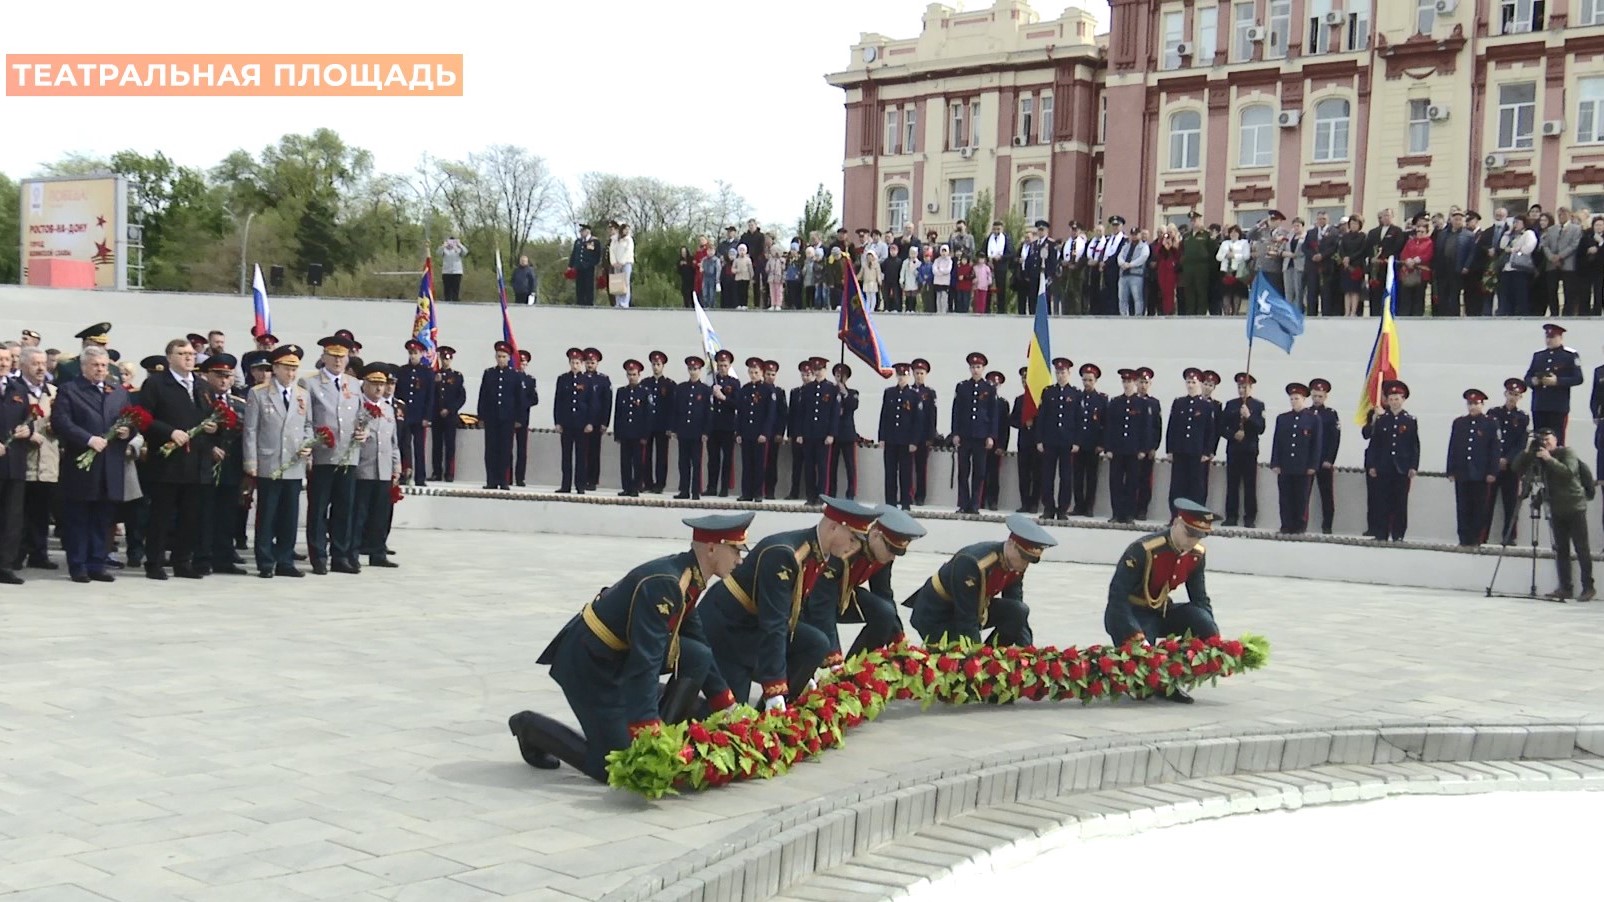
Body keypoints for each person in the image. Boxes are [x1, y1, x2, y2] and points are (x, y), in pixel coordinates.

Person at [510, 512, 752, 780]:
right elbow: (646, 659)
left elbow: (697, 641)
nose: (740, 559)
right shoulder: (666, 584)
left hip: (618, 657)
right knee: (615, 766)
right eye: (735, 550)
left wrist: (727, 704)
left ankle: (660, 721)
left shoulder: (689, 578)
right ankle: (529, 727)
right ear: (711, 548)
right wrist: (645, 726)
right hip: (590, 665)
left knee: (698, 654)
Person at [700, 497, 878, 709]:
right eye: (852, 538)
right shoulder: (785, 554)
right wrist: (775, 686)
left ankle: (776, 713)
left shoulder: (818, 554)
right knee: (728, 716)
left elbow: (795, 611)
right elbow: (773, 623)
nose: (854, 546)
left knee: (816, 643)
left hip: (752, 624)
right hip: (727, 626)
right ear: (833, 528)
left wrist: (803, 673)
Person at [1103, 498, 1221, 703]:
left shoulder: (1196, 555)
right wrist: (1135, 634)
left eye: (1199, 536)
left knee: (1202, 620)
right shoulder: (1144, 549)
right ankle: (1146, 679)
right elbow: (1117, 597)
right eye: (1189, 533)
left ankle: (1174, 675)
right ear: (1176, 523)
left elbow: (1200, 597)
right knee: (1143, 687)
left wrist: (1214, 640)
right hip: (1130, 613)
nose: (1192, 541)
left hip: (1161, 611)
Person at [904, 512, 1056, 647]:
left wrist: (1028, 651)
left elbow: (1017, 608)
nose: (1025, 564)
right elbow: (967, 619)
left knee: (1018, 611)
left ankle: (994, 656)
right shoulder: (973, 562)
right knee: (956, 664)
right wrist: (977, 661)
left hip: (973, 609)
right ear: (1011, 544)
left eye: (1029, 560)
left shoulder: (1016, 564)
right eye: (1023, 557)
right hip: (937, 614)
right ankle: (983, 661)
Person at [804, 506, 924, 668]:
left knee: (885, 613)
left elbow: (884, 594)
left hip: (842, 597)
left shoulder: (882, 555)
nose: (892, 556)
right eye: (891, 550)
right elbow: (821, 600)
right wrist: (834, 656)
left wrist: (898, 639)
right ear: (875, 535)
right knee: (818, 644)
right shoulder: (847, 546)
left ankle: (856, 669)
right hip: (809, 600)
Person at [49, 346, 130, 583]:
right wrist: (88, 439)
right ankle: (78, 565)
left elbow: (128, 417)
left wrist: (127, 431)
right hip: (82, 466)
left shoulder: (117, 392)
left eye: (104, 365)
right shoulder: (70, 390)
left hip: (110, 464)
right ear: (84, 367)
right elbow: (61, 421)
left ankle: (97, 562)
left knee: (102, 518)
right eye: (95, 365)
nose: (101, 370)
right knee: (79, 518)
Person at [140, 337, 219, 580]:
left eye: (191, 354)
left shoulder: (202, 386)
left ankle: (182, 561)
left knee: (190, 516)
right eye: (182, 353)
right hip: (167, 462)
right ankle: (154, 562)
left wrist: (215, 429)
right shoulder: (156, 384)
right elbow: (144, 417)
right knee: (161, 515)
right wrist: (169, 432)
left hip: (196, 462)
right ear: (170, 357)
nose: (188, 357)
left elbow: (210, 415)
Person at [244, 344, 312, 578]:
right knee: (268, 514)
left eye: (294, 369)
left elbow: (308, 426)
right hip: (269, 461)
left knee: (289, 515)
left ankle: (285, 559)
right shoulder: (259, 393)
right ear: (275, 368)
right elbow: (251, 430)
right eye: (286, 368)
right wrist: (251, 461)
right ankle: (265, 560)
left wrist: (308, 444)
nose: (291, 374)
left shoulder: (302, 394)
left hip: (293, 462)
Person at [303, 335, 366, 575]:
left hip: (348, 455)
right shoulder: (310, 384)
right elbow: (307, 419)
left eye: (342, 357)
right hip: (323, 455)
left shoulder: (354, 384)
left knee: (344, 508)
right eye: (333, 356)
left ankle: (341, 555)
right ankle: (318, 555)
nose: (338, 361)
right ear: (324, 357)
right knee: (319, 508)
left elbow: (362, 415)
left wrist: (364, 431)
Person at [1514, 427, 1595, 601]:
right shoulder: (1539, 458)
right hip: (1556, 509)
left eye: (1548, 439)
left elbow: (1568, 473)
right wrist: (1527, 451)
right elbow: (1516, 467)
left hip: (1575, 506)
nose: (1545, 443)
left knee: (1582, 549)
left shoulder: (1567, 453)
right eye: (1542, 440)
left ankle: (1588, 587)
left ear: (1556, 440)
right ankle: (1565, 587)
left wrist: (1549, 459)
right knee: (1561, 550)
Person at [351, 362, 401, 568]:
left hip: (383, 469)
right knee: (359, 514)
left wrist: (396, 465)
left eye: (382, 384)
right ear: (365, 384)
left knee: (380, 515)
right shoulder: (356, 406)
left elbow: (393, 441)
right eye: (374, 383)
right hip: (364, 468)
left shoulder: (388, 409)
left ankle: (377, 552)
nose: (379, 388)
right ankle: (352, 552)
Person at [14, 347, 58, 570]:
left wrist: (56, 426)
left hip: (48, 461)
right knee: (19, 512)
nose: (41, 368)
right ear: (22, 365)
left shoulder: (52, 391)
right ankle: (16, 553)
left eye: (43, 363)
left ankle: (39, 553)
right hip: (23, 461)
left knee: (41, 511)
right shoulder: (15, 390)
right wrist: (29, 433)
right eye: (35, 363)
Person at [1363, 380, 1419, 542]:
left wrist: (1413, 466)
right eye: (1391, 399)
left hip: (1401, 468)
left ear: (1403, 400)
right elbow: (1375, 444)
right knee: (1382, 502)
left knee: (1400, 503)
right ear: (1387, 400)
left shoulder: (1410, 420)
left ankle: (1398, 534)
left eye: (1397, 398)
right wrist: (1372, 465)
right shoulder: (1381, 419)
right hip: (1383, 467)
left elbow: (1414, 445)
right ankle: (1381, 533)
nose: (1394, 402)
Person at [1446, 388, 1501, 547]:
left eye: (1476, 403)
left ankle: (1477, 538)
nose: (1472, 407)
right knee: (1463, 507)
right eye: (1470, 404)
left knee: (1479, 507)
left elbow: (1494, 449)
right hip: (1463, 472)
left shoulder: (1490, 423)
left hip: (1481, 473)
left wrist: (1492, 471)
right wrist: (1451, 469)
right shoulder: (1459, 423)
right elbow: (1453, 447)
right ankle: (1464, 538)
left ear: (1482, 404)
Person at [1270, 382, 1322, 535]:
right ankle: (1286, 524)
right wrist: (1275, 462)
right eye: (1292, 399)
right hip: (1286, 464)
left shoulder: (1312, 419)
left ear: (1304, 399)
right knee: (1285, 497)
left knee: (1301, 497)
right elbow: (1277, 441)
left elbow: (1316, 444)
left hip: (1303, 465)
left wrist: (1313, 464)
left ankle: (1300, 525)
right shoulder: (1283, 418)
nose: (1294, 401)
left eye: (1297, 398)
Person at [1165, 368, 1216, 512]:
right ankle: (1175, 516)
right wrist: (1169, 449)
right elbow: (1172, 427)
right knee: (1177, 486)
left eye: (1193, 382)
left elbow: (1210, 431)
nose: (1190, 385)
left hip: (1197, 452)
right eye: (1188, 382)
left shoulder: (1206, 405)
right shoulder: (1179, 403)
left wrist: (1207, 451)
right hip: (1180, 451)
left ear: (1199, 383)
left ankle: (1194, 517)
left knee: (1196, 487)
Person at [951, 352, 996, 515]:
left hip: (981, 436)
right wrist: (955, 432)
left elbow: (993, 414)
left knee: (980, 472)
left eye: (978, 367)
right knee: (963, 471)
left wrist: (991, 435)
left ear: (983, 368)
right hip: (965, 434)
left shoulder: (989, 388)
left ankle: (975, 504)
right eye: (973, 367)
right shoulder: (962, 387)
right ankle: (963, 503)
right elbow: (956, 411)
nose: (975, 370)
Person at [1220, 373, 1266, 528]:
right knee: (1232, 485)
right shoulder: (1231, 404)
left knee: (1249, 485)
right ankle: (1231, 516)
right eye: (1239, 387)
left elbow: (1261, 428)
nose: (1242, 390)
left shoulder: (1258, 406)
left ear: (1251, 388)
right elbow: (1222, 427)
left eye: (1245, 387)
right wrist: (1233, 435)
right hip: (1234, 450)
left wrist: (1249, 416)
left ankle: (1250, 517)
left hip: (1250, 450)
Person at [1035, 358, 1078, 521]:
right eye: (1058, 373)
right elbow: (1042, 417)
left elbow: (1078, 419)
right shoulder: (1048, 392)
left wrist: (1077, 441)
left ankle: (1063, 509)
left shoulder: (1075, 393)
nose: (1060, 376)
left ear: (1069, 373)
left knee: (1066, 478)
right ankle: (1048, 507)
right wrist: (1039, 439)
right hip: (1050, 441)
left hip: (1067, 442)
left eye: (1063, 372)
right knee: (1047, 476)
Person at [1525, 322, 1582, 443]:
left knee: (1557, 440)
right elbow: (1527, 377)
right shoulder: (1539, 355)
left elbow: (1578, 378)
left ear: (1560, 338)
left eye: (1553, 337)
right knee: (1538, 440)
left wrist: (1557, 381)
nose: (1549, 340)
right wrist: (1534, 381)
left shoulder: (1569, 355)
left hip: (1558, 406)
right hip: (1539, 405)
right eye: (1547, 337)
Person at [796, 357, 840, 504]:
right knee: (809, 467)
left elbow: (835, 414)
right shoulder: (808, 389)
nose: (818, 372)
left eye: (820, 369)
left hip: (823, 434)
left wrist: (831, 433)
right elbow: (801, 413)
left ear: (825, 370)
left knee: (822, 467)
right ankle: (810, 496)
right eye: (815, 370)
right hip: (809, 433)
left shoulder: (832, 389)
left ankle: (822, 496)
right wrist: (800, 433)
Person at [478, 342, 521, 491]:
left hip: (507, 418)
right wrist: (481, 417)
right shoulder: (489, 373)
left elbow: (519, 399)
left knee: (505, 450)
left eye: (504, 356)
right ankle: (491, 480)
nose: (501, 359)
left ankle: (504, 480)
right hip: (491, 417)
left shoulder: (515, 375)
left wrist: (518, 419)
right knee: (491, 450)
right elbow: (483, 396)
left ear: (509, 358)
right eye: (499, 356)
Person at [734, 357, 775, 502]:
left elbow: (770, 414)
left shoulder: (767, 390)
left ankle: (758, 493)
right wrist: (738, 432)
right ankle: (746, 493)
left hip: (759, 434)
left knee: (759, 465)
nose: (753, 375)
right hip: (746, 432)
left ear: (761, 372)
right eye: (751, 372)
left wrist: (765, 432)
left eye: (756, 372)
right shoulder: (745, 389)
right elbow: (740, 412)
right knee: (747, 464)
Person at [554, 348, 594, 494]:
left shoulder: (587, 380)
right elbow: (558, 401)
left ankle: (580, 485)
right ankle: (565, 485)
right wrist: (557, 421)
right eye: (572, 362)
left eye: (577, 362)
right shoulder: (563, 379)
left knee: (581, 456)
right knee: (566, 456)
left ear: (581, 363)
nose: (575, 365)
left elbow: (591, 403)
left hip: (581, 424)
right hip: (567, 423)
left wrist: (590, 422)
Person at [880, 363, 920, 510]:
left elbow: (917, 420)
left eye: (904, 375)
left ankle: (905, 502)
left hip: (906, 440)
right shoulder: (889, 392)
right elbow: (884, 416)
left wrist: (914, 441)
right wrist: (882, 437)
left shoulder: (914, 395)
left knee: (906, 473)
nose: (901, 378)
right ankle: (890, 502)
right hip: (891, 439)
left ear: (909, 376)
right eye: (899, 375)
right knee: (890, 472)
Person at [673, 356, 713, 500]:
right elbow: (676, 410)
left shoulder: (705, 390)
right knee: (683, 463)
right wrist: (675, 428)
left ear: (700, 370)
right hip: (684, 431)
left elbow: (708, 412)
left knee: (696, 463)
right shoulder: (681, 388)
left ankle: (695, 491)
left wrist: (706, 432)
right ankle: (684, 490)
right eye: (690, 369)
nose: (692, 372)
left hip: (697, 432)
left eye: (695, 369)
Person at [395, 341, 434, 487]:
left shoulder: (427, 372)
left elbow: (430, 397)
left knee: (419, 447)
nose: (413, 356)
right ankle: (403, 474)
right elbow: (398, 394)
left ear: (422, 354)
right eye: (411, 353)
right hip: (404, 415)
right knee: (403, 446)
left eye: (415, 353)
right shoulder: (402, 371)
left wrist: (427, 417)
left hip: (419, 416)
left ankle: (420, 477)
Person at [1070, 364, 1106, 516]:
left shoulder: (1101, 400)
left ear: (1095, 381)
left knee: (1091, 478)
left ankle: (1089, 507)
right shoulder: (1077, 398)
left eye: (1090, 380)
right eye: (1085, 380)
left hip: (1093, 445)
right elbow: (1072, 421)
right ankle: (1078, 506)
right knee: (1077, 477)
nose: (1087, 383)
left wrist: (1101, 444)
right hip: (1078, 444)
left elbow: (1105, 424)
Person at [1308, 377, 1341, 534]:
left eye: (1320, 396)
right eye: (1314, 396)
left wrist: (1329, 459)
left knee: (1327, 495)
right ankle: (1301, 523)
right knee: (1303, 494)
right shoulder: (1306, 413)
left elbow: (1334, 439)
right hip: (1308, 461)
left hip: (1323, 461)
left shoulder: (1330, 414)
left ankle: (1327, 526)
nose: (1317, 399)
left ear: (1325, 396)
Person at [706, 350, 740, 498]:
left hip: (727, 427)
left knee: (726, 459)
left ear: (729, 365)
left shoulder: (734, 383)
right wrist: (712, 395)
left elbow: (738, 404)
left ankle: (724, 488)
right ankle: (711, 487)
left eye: (725, 365)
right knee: (713, 459)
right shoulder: (711, 381)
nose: (722, 368)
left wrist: (723, 398)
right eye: (720, 365)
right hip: (713, 426)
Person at [641, 351, 675, 493]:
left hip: (662, 425)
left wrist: (670, 426)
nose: (656, 367)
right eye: (654, 364)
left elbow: (672, 407)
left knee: (661, 456)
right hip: (648, 425)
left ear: (663, 366)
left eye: (658, 364)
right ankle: (647, 482)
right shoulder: (645, 383)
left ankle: (660, 484)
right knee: (645, 456)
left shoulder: (669, 384)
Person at [429, 348, 465, 482]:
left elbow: (461, 397)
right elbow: (431, 396)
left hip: (450, 417)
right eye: (444, 358)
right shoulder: (434, 375)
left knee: (450, 445)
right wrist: (435, 383)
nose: (446, 361)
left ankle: (449, 473)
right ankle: (436, 472)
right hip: (436, 415)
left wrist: (450, 409)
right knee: (436, 445)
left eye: (448, 359)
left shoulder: (457, 376)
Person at [829, 364, 860, 499]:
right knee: (831, 466)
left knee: (850, 466)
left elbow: (853, 406)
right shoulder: (829, 391)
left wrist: (845, 395)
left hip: (847, 433)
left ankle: (851, 493)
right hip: (833, 433)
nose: (839, 379)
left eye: (842, 376)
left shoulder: (853, 392)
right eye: (837, 376)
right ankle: (831, 492)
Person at [582, 349, 611, 492]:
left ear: (597, 363)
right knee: (582, 452)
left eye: (592, 362)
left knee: (594, 452)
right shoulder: (580, 378)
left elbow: (607, 403)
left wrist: (605, 422)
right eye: (587, 362)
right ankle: (582, 478)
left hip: (597, 421)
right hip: (581, 422)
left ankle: (592, 480)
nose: (590, 364)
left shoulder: (603, 380)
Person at [911, 359, 938, 504]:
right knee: (907, 469)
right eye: (917, 373)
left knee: (921, 469)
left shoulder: (929, 393)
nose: (919, 376)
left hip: (923, 437)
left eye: (922, 373)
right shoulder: (908, 391)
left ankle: (920, 496)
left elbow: (932, 416)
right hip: (909, 437)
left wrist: (931, 436)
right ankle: (908, 495)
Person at [513, 350, 539, 487]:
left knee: (522, 451)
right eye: (519, 362)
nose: (521, 365)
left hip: (523, 418)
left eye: (524, 363)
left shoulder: (530, 380)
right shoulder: (511, 377)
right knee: (507, 450)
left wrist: (523, 404)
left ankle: (520, 477)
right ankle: (507, 476)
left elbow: (534, 399)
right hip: (510, 417)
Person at [568, 224, 602, 307]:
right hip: (579, 267)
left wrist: (592, 263)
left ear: (587, 231)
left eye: (582, 231)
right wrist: (571, 265)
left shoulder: (594, 241)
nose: (581, 233)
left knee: (588, 285)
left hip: (588, 267)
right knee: (579, 286)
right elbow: (574, 254)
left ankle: (589, 302)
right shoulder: (578, 241)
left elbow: (597, 254)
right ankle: (580, 301)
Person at [608, 222, 635, 308]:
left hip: (626, 263)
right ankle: (618, 302)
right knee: (618, 282)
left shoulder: (629, 240)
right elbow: (611, 251)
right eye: (625, 229)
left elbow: (628, 251)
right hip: (616, 264)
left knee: (625, 282)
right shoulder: (615, 240)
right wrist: (614, 262)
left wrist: (621, 262)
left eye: (628, 230)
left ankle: (625, 302)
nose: (627, 231)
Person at [437, 237, 469, 303]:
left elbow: (465, 252)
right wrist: (444, 245)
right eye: (450, 241)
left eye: (453, 241)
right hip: (446, 272)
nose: (451, 243)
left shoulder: (458, 249)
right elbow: (438, 253)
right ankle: (447, 299)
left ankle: (455, 299)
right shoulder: (445, 250)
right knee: (447, 287)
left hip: (457, 271)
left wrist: (459, 244)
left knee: (456, 287)